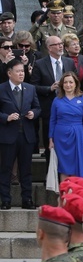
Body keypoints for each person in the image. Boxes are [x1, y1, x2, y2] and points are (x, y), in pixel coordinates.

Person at [0, 61, 40, 209]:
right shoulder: (1, 89)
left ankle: (27, 199)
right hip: (8, 136)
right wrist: (6, 117)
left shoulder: (30, 88)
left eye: (22, 71)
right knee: (5, 168)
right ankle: (5, 200)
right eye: (18, 71)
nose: (21, 74)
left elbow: (37, 108)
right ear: (9, 73)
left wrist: (33, 113)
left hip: (26, 136)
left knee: (26, 169)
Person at [47, 71, 83, 179]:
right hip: (60, 136)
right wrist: (51, 139)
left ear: (76, 84)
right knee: (63, 165)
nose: (68, 85)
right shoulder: (57, 100)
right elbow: (52, 120)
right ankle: (64, 189)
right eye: (65, 82)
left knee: (77, 164)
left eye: (71, 82)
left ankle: (75, 189)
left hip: (78, 135)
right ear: (62, 84)